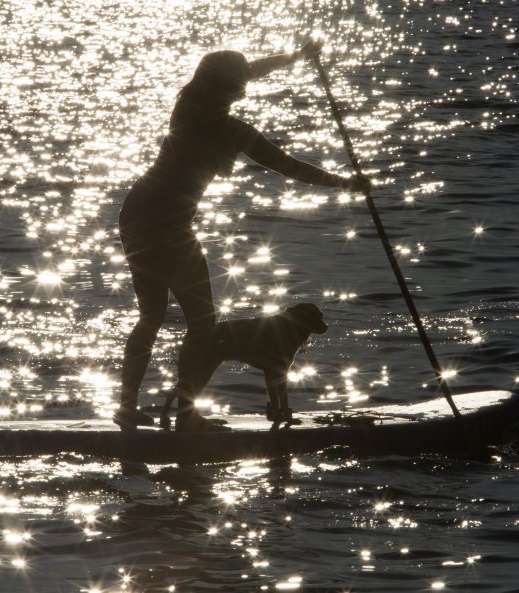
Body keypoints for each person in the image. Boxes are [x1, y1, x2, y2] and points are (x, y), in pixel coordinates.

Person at [116, 40, 370, 432]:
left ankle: (127, 406)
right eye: (240, 80)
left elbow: (252, 69)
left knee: (151, 316)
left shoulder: (186, 107)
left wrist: (296, 58)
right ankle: (186, 416)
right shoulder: (231, 129)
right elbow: (289, 166)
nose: (247, 82)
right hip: (167, 225)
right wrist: (345, 184)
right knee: (202, 323)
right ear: (231, 87)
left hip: (136, 214)